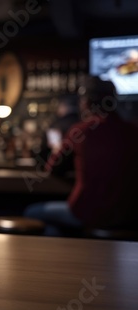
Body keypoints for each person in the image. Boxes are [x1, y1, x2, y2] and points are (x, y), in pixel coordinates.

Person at [24, 77, 138, 236]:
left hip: (89, 213)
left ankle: (65, 256)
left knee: (32, 212)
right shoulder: (133, 131)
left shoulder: (81, 131)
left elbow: (52, 168)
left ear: (86, 102)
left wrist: (58, 150)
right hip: (130, 216)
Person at [39, 95, 80, 166]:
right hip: (80, 167)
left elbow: (55, 149)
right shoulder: (84, 123)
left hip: (61, 169)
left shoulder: (56, 125)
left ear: (63, 107)